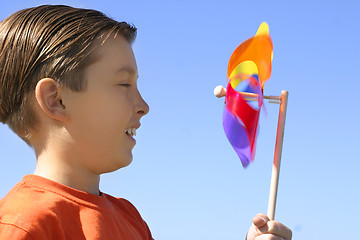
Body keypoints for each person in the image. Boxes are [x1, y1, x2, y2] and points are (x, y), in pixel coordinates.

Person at [0, 5, 292, 240]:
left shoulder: (130, 217)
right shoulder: (22, 225)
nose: (144, 106)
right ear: (56, 100)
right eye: (124, 84)